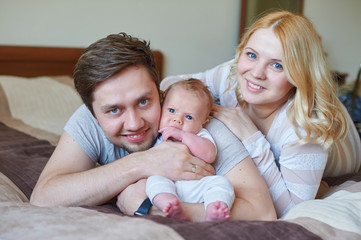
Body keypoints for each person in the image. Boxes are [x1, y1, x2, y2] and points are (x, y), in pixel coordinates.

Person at [30, 32, 276, 221]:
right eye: (114, 110)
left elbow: (264, 212)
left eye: (144, 101)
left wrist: (152, 209)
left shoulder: (194, 122)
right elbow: (44, 197)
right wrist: (141, 164)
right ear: (93, 113)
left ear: (161, 93)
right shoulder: (88, 118)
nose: (135, 123)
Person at [161, 11, 361, 218]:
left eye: (277, 65)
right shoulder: (232, 76)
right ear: (241, 52)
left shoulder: (304, 127)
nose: (256, 73)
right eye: (252, 55)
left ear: (298, 74)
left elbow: (293, 210)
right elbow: (168, 86)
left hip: (348, 135)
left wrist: (251, 137)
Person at [146, 78, 234, 221]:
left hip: (198, 187)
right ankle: (169, 205)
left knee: (221, 183)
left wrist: (183, 136)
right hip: (169, 183)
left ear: (202, 123)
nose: (177, 120)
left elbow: (209, 155)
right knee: (154, 181)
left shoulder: (199, 134)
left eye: (188, 117)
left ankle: (214, 210)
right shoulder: (156, 132)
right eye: (172, 110)